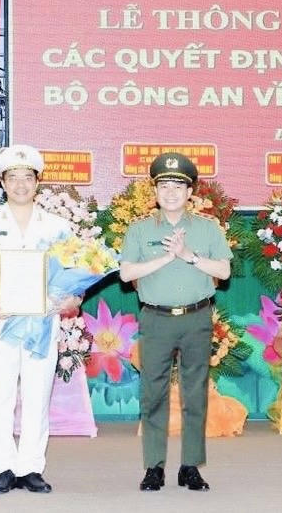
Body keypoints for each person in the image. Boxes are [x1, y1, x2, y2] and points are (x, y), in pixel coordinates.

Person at [0, 144, 79, 495]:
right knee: (0, 397)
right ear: (2, 181)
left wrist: (72, 299)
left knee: (37, 396)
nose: (21, 184)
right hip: (1, 323)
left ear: (38, 181)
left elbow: (74, 274)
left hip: (42, 322)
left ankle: (30, 467)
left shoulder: (58, 225)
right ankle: (2, 467)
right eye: (13, 177)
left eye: (28, 177)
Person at [119, 152, 232, 492]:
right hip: (156, 319)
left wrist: (189, 256)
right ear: (155, 191)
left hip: (197, 317)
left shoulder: (208, 228)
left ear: (190, 192)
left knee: (195, 394)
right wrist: (167, 258)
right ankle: (154, 467)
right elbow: (126, 274)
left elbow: (224, 271)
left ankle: (190, 466)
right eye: (164, 186)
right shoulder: (139, 230)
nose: (171, 192)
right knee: (153, 394)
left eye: (178, 186)